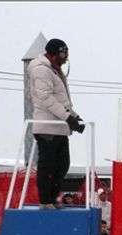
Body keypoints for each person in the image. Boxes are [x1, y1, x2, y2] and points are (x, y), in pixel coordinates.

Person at [27, 38, 85, 209]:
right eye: (63, 53)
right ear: (53, 53)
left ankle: (53, 198)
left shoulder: (55, 70)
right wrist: (68, 118)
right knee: (47, 165)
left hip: (59, 127)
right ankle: (45, 200)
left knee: (63, 165)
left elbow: (62, 100)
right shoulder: (41, 71)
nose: (65, 57)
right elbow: (46, 98)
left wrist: (74, 116)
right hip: (47, 126)